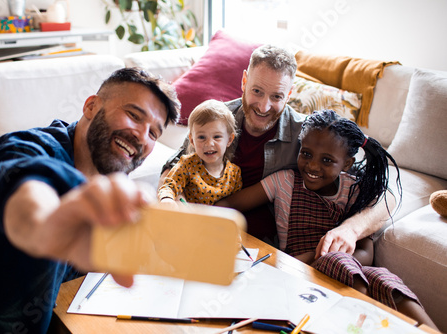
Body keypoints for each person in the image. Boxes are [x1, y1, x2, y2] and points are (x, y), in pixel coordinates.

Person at [0, 68, 180, 333]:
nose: (142, 136)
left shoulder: (110, 186)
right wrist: (44, 224)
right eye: (134, 115)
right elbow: (23, 189)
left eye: (153, 134)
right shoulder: (24, 148)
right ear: (91, 106)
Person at [161, 44, 390, 258]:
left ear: (289, 95)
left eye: (277, 96)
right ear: (244, 81)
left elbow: (384, 195)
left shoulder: (308, 137)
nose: (263, 106)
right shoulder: (216, 120)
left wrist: (351, 229)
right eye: (257, 91)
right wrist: (173, 204)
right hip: (202, 225)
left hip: (261, 246)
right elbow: (172, 171)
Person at [216, 109, 438, 329]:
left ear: (347, 164)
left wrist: (324, 254)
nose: (313, 166)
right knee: (338, 260)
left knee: (382, 277)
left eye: (327, 160)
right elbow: (230, 205)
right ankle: (355, 323)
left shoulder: (354, 191)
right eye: (307, 154)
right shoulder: (284, 182)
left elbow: (366, 254)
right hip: (296, 271)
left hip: (346, 269)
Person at [158, 99, 242, 206]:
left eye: (217, 137)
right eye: (202, 137)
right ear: (192, 140)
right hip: (189, 219)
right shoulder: (187, 164)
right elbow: (168, 186)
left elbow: (235, 205)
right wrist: (167, 199)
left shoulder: (234, 174)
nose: (209, 143)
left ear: (229, 140)